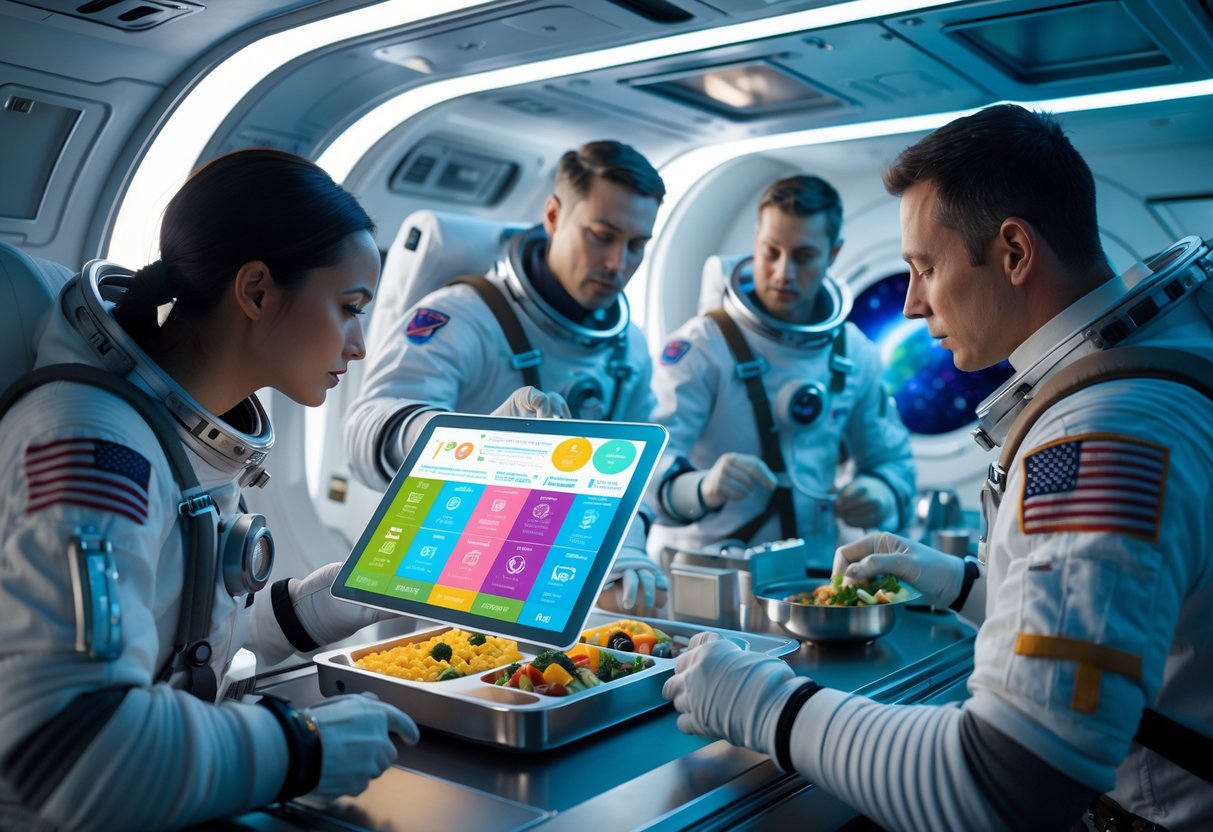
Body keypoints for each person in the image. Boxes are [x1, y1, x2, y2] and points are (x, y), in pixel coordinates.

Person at [663, 104, 1213, 831]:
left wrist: (763, 705)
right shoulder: (1158, 367)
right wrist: (960, 582)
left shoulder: (1097, 436)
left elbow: (1004, 785)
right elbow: (1126, 615)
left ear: (1013, 251)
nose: (913, 302)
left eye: (925, 267)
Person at [0, 149, 420, 831]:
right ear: (255, 291)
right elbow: (73, 749)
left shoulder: (173, 437)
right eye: (349, 308)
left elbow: (175, 648)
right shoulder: (97, 449)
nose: (359, 345)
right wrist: (304, 748)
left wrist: (327, 604)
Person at [345, 139, 668, 611]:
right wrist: (472, 444)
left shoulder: (630, 346)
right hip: (442, 580)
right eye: (602, 236)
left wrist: (629, 539)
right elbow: (365, 429)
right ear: (553, 216)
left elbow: (642, 467)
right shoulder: (463, 316)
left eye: (636, 246)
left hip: (557, 582)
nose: (617, 264)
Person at [648, 174, 914, 565]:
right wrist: (703, 488)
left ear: (833, 253)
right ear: (756, 239)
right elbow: (648, 464)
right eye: (771, 251)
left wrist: (881, 493)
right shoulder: (702, 347)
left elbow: (891, 459)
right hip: (711, 571)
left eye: (804, 257)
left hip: (816, 573)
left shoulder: (853, 351)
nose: (783, 273)